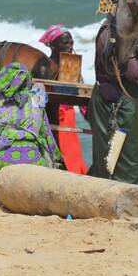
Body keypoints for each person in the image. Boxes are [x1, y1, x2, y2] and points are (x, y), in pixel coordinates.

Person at [90, 18, 138, 185]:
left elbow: (129, 73)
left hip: (121, 100)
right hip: (115, 105)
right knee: (125, 157)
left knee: (128, 155)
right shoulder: (115, 34)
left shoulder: (117, 31)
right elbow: (134, 73)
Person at [0, 62, 61, 183]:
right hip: (32, 163)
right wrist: (55, 158)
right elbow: (45, 132)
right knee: (46, 157)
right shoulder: (37, 98)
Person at [38, 24, 88, 174]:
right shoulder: (44, 67)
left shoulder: (71, 64)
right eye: (65, 43)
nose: (69, 46)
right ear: (53, 45)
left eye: (71, 42)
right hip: (50, 116)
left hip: (67, 115)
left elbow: (77, 92)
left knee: (71, 154)